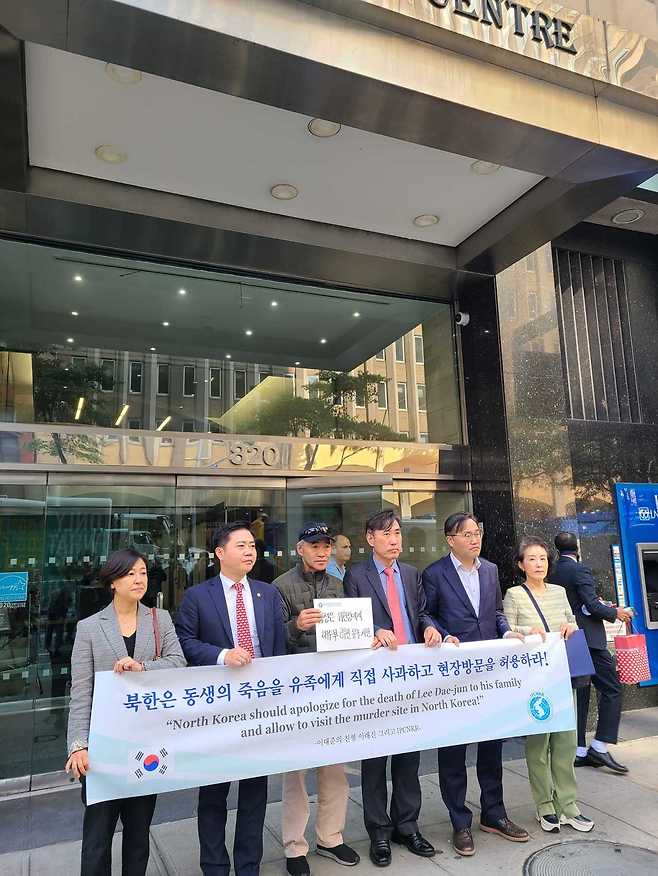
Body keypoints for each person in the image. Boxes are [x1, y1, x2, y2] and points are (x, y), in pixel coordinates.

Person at [65, 549, 186, 876]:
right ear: (112, 582)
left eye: (143, 572)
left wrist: (142, 667)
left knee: (138, 834)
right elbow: (81, 692)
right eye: (130, 573)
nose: (138, 579)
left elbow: (178, 663)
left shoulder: (160, 620)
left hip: (147, 745)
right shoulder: (89, 628)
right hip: (104, 748)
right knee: (97, 837)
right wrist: (78, 746)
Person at [175, 522, 286, 876]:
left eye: (252, 545)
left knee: (255, 794)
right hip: (218, 710)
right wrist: (223, 655)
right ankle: (215, 867)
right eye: (241, 545)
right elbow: (186, 643)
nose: (250, 551)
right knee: (213, 794)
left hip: (258, 709)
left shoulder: (267, 594)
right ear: (220, 553)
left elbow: (278, 648)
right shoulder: (197, 596)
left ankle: (248, 866)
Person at [421, 512, 529, 857]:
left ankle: (494, 814)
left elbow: (495, 612)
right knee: (454, 751)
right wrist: (435, 629)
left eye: (477, 533)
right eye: (466, 534)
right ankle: (460, 822)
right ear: (450, 539)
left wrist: (507, 630)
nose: (474, 539)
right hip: (454, 675)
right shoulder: (434, 573)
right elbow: (426, 613)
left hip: (490, 674)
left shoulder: (491, 570)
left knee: (491, 748)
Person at [344, 510, 441, 867]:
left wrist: (430, 628)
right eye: (386, 534)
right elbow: (349, 624)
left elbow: (422, 613)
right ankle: (379, 833)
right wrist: (372, 633)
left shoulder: (412, 573)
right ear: (370, 539)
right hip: (375, 682)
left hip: (410, 676)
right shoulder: (355, 575)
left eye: (397, 533)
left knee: (408, 755)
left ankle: (407, 825)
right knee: (375, 759)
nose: (395, 540)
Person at [274, 523, 359, 876]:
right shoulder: (280, 586)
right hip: (297, 690)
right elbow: (272, 639)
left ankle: (330, 837)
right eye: (315, 546)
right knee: (295, 773)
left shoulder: (339, 584)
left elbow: (350, 631)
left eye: (327, 545)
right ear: (300, 549)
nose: (323, 551)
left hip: (333, 686)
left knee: (335, 768)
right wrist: (296, 626)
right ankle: (294, 847)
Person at [503, 537, 594, 834]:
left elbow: (572, 623)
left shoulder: (559, 591)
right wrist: (524, 631)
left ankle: (568, 805)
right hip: (534, 683)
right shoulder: (515, 594)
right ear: (521, 564)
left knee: (566, 743)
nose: (539, 563)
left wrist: (571, 627)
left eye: (542, 558)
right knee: (539, 746)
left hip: (562, 675)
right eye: (532, 559)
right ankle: (545, 805)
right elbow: (505, 630)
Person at [549, 531, 632, 774]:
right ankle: (600, 745)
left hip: (566, 639)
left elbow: (578, 605)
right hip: (590, 641)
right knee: (612, 688)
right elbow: (591, 604)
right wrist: (616, 613)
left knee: (581, 694)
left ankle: (579, 750)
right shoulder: (580, 571)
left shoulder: (552, 572)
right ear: (577, 549)